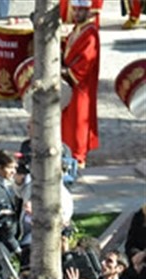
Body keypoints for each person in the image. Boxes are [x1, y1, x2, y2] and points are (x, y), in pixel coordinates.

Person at [61, 0, 100, 165]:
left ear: (88, 11)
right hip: (71, 82)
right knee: (69, 120)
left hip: (80, 85)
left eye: (80, 11)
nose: (76, 14)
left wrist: (67, 73)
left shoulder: (90, 33)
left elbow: (85, 60)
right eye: (75, 10)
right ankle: (68, 150)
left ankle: (78, 155)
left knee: (79, 121)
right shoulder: (78, 29)